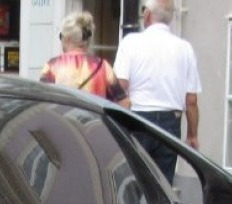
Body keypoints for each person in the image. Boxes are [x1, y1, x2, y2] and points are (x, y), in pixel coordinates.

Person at [113, 0, 201, 185]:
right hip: (170, 122)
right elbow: (191, 101)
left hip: (137, 118)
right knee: (163, 185)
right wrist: (192, 134)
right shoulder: (184, 48)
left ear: (147, 15)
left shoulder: (131, 42)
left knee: (134, 182)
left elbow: (120, 86)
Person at [39, 12, 125, 104]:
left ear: (67, 38)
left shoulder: (52, 66)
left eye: (61, 36)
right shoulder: (103, 67)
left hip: (61, 117)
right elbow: (124, 101)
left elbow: (41, 99)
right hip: (94, 118)